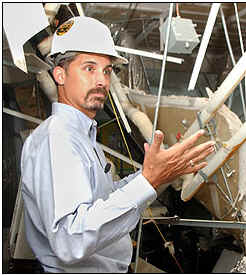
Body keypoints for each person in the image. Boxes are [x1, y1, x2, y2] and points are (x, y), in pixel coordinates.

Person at [20, 16, 215, 273]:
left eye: (107, 70)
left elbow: (103, 200)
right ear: (59, 74)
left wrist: (154, 176)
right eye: (89, 68)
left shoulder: (81, 136)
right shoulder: (58, 138)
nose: (102, 80)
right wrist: (148, 181)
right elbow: (70, 241)